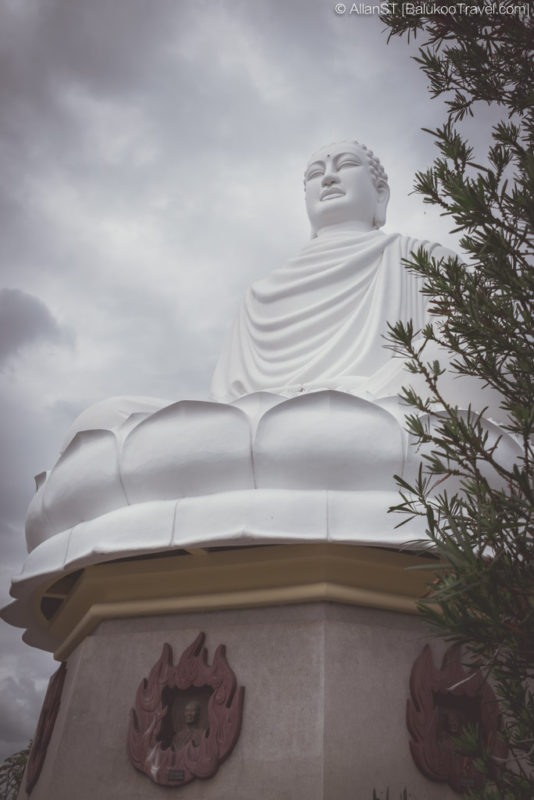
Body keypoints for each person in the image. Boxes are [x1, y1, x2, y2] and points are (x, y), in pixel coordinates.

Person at [210, 139, 450, 404]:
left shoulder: (424, 260)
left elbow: (462, 354)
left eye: (345, 164)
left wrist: (381, 388)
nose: (328, 178)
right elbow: (226, 398)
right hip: (262, 421)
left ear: (380, 193)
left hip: (391, 410)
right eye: (316, 173)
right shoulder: (258, 296)